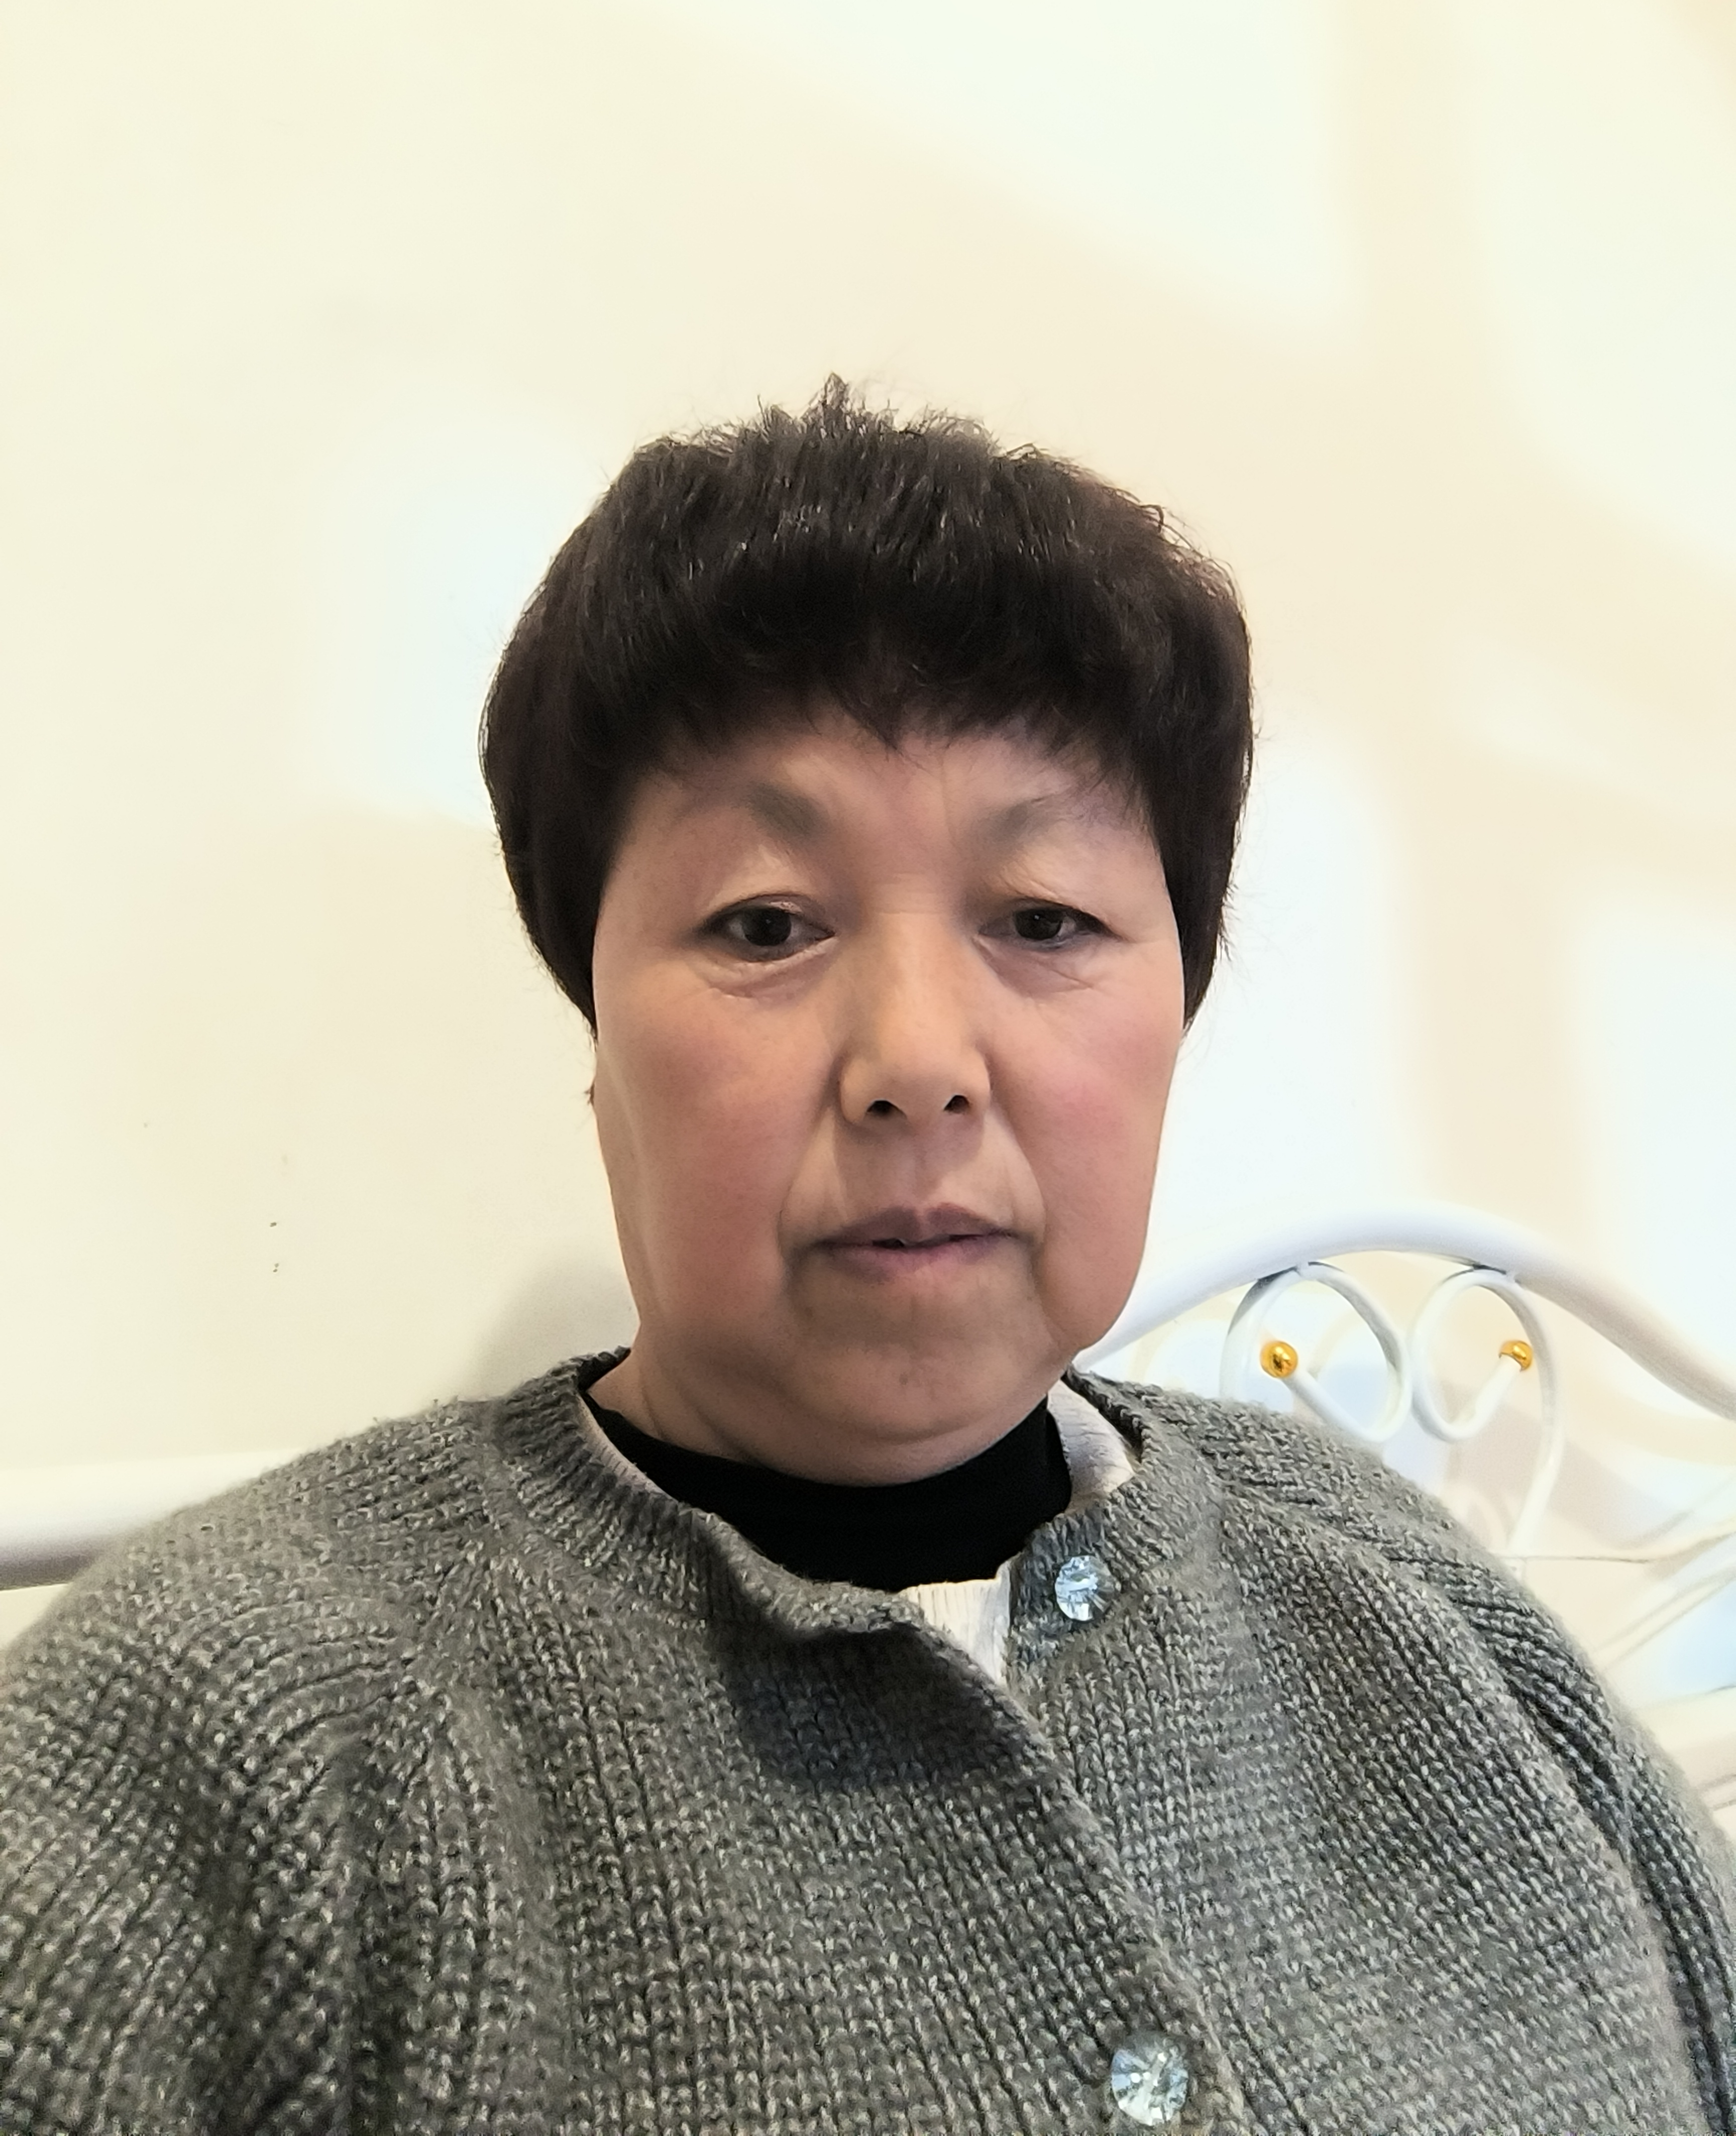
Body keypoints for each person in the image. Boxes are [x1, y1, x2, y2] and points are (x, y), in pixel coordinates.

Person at [1, 385, 1731, 2136]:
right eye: (765, 924)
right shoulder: (209, 1732)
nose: (917, 1059)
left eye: (1044, 919)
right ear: (598, 1039)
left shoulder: (1409, 1599)